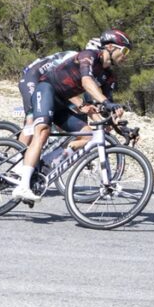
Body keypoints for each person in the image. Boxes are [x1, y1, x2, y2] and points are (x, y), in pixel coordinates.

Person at [13, 29, 131, 202]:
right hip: (46, 88)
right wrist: (106, 102)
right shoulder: (88, 55)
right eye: (125, 50)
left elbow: (104, 109)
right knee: (41, 130)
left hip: (63, 101)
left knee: (88, 134)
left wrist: (122, 128)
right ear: (111, 47)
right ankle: (21, 183)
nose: (126, 56)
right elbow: (87, 81)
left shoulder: (108, 76)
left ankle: (45, 163)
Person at [15, 38, 99, 147]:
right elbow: (63, 87)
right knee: (32, 121)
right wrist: (81, 104)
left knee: (84, 129)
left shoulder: (90, 69)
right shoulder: (74, 59)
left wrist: (101, 120)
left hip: (51, 89)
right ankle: (17, 157)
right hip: (33, 78)